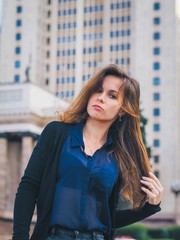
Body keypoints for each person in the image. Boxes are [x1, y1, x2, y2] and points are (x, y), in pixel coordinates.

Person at [12, 64, 164, 240]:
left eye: (112, 96)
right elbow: (28, 187)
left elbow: (107, 218)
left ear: (123, 110)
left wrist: (150, 208)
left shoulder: (118, 156)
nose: (100, 98)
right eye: (98, 91)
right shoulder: (56, 133)